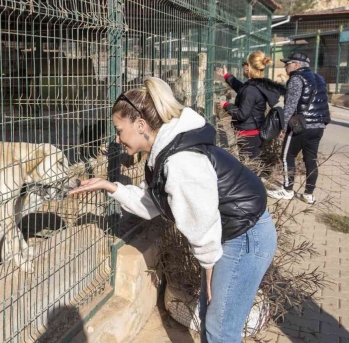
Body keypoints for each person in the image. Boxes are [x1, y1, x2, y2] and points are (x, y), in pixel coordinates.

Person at [68, 77, 277, 343]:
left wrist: (210, 266)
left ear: (141, 125)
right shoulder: (166, 151)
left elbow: (201, 220)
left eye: (119, 130)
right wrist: (110, 186)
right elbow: (152, 202)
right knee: (211, 318)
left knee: (220, 328)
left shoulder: (179, 161)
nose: (118, 139)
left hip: (245, 235)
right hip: (231, 232)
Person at [267, 52, 330, 204]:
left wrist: (283, 127)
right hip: (319, 126)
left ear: (296, 65)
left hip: (300, 126)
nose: (285, 66)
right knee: (311, 159)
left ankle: (287, 190)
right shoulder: (320, 79)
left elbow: (290, 106)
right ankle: (309, 194)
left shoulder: (296, 78)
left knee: (287, 156)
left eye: (287, 64)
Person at [214, 52, 284, 167]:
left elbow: (242, 114)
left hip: (248, 135)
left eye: (244, 63)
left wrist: (226, 105)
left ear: (249, 67)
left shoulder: (251, 90)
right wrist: (226, 76)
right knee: (252, 164)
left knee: (250, 167)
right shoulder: (257, 85)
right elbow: (242, 90)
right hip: (254, 131)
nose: (243, 66)